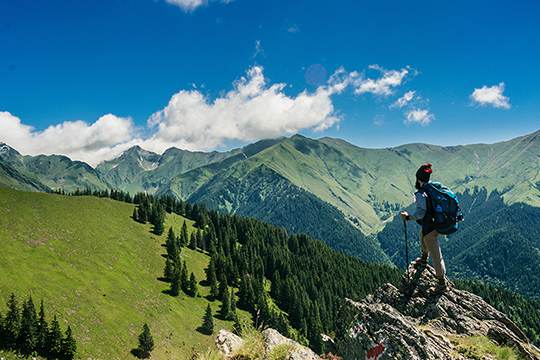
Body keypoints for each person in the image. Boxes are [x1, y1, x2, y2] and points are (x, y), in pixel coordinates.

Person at [400, 163, 447, 291]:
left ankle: (441, 283)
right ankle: (424, 258)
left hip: (430, 227)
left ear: (418, 179)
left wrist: (408, 217)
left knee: (436, 255)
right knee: (422, 235)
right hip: (436, 223)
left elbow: (421, 212)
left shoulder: (421, 193)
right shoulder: (433, 188)